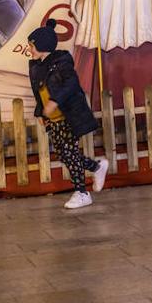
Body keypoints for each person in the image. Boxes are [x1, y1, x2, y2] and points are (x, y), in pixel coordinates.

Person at [25, 20, 110, 210]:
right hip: (53, 119)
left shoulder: (62, 62)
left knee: (70, 153)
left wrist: (55, 101)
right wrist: (40, 111)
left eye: (31, 46)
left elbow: (71, 84)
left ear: (42, 45)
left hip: (69, 115)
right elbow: (38, 92)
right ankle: (97, 167)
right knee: (63, 155)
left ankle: (81, 192)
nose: (29, 50)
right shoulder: (36, 66)